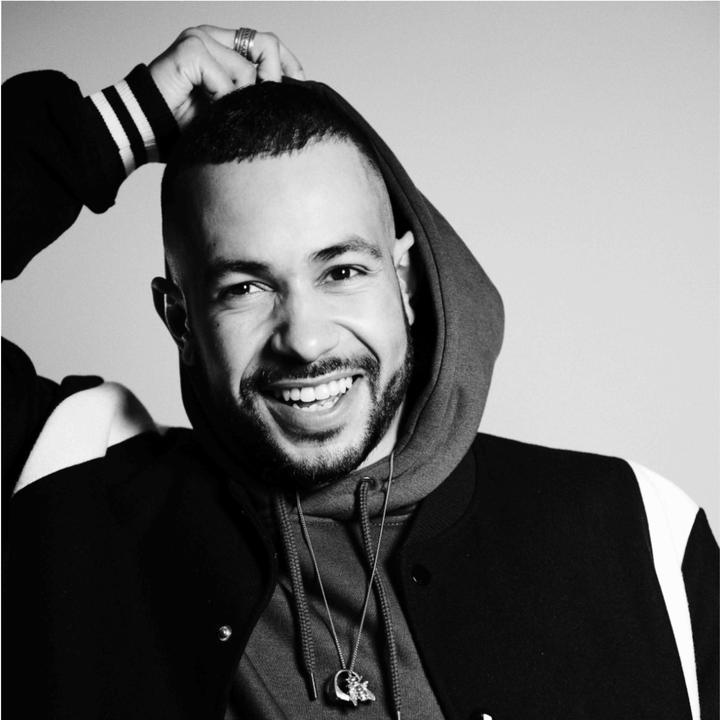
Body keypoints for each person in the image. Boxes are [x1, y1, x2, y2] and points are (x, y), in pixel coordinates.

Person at [3, 23, 717, 720]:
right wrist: (111, 125)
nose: (306, 340)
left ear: (404, 281)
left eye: (342, 271)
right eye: (244, 287)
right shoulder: (70, 490)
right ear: (180, 320)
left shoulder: (637, 529)